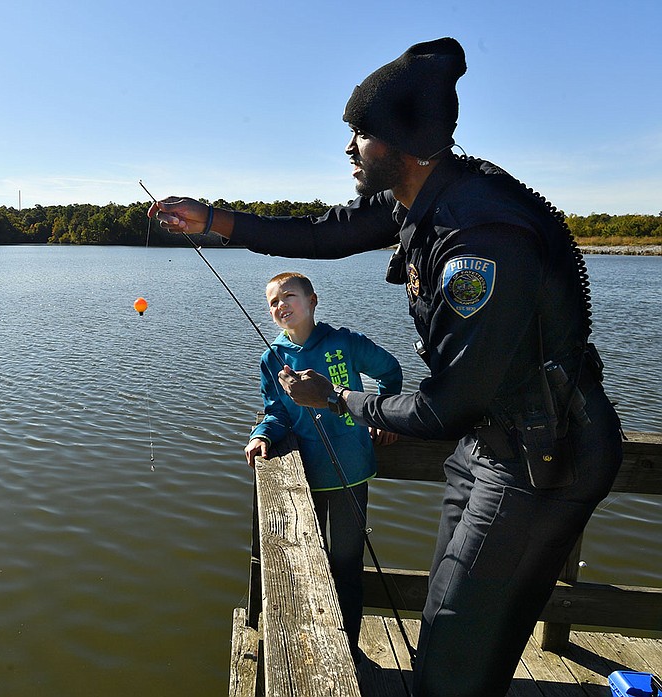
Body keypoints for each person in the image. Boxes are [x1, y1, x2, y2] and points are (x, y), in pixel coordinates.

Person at [149, 37, 623, 697]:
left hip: (544, 461)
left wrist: (338, 398)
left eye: (361, 133)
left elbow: (442, 405)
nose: (350, 148)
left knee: (456, 662)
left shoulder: (480, 240)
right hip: (488, 445)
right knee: (450, 639)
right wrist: (212, 219)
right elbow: (320, 233)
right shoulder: (419, 197)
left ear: (402, 142)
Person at [245, 271, 403, 663]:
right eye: (273, 302)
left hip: (351, 470)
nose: (281, 306)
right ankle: (313, 644)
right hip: (303, 479)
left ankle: (348, 646)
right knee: (303, 565)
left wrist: (381, 416)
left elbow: (390, 371)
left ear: (312, 300)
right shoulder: (272, 358)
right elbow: (276, 413)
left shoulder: (344, 342)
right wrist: (262, 434)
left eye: (289, 296)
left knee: (348, 563)